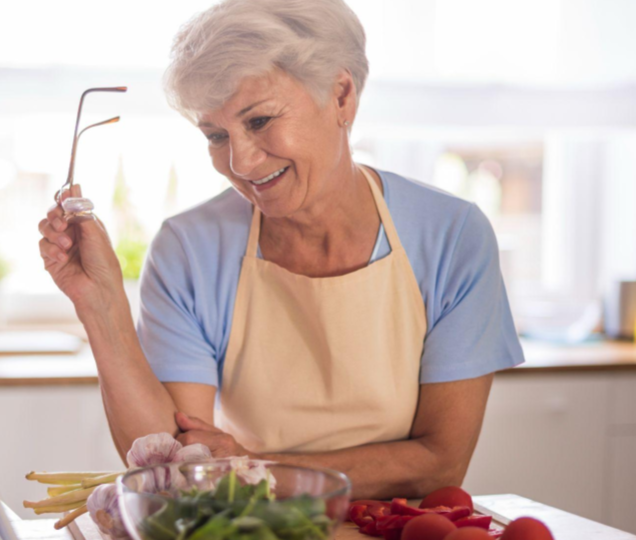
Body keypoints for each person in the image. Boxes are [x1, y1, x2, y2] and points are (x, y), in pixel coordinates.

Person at [38, 0, 524, 498]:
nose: (241, 162)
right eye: (215, 135)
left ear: (341, 97)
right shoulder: (191, 248)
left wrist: (255, 467)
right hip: (251, 526)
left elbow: (439, 464)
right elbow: (174, 461)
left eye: (260, 120)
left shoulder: (452, 236)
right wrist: (101, 306)